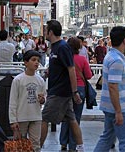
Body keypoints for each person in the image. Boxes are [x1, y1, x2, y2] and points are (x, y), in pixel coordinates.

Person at [40, 20, 84, 152]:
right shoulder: (55, 47)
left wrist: (75, 91)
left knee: (44, 118)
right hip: (60, 90)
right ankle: (81, 147)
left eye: (46, 30)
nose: (44, 33)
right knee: (71, 118)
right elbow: (62, 67)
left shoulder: (62, 47)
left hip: (59, 92)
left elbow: (71, 69)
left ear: (51, 32)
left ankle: (37, 148)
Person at [94, 26, 125, 152]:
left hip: (111, 106)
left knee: (107, 138)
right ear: (124, 40)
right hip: (119, 107)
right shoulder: (117, 60)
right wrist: (118, 111)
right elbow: (112, 86)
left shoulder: (111, 56)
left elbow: (115, 81)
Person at [9, 50, 46, 152]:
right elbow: (13, 101)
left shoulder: (40, 80)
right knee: (21, 145)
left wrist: (42, 100)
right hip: (21, 117)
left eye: (38, 60)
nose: (36, 63)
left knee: (36, 144)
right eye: (33, 60)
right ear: (25, 62)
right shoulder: (18, 80)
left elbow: (43, 98)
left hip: (36, 116)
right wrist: (13, 121)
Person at [60, 37, 93, 151]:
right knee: (76, 118)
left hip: (66, 88)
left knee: (65, 116)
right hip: (80, 88)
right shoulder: (82, 59)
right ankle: (73, 145)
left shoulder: (63, 58)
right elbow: (88, 75)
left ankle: (63, 142)